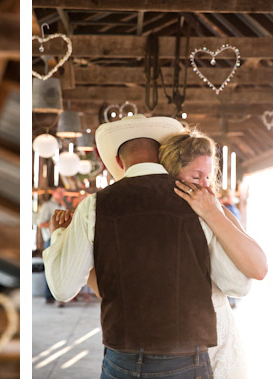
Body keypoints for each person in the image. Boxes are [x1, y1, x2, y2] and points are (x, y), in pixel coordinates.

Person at [44, 115, 253, 379]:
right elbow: (237, 285)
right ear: (161, 157)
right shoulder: (197, 202)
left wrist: (60, 237)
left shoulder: (95, 206)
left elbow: (62, 289)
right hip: (187, 357)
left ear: (119, 162)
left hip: (123, 357)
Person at [159, 131, 266, 378]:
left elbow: (258, 268)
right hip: (176, 342)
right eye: (196, 176)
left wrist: (213, 213)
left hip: (221, 335)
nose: (206, 184)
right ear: (170, 174)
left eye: (207, 176)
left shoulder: (213, 208)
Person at [36, 186, 66, 305]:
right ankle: (49, 295)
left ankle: (58, 295)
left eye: (63, 192)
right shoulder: (47, 206)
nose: (61, 194)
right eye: (59, 192)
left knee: (60, 267)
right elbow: (40, 223)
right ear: (54, 193)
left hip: (61, 239)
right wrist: (55, 223)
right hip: (50, 239)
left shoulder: (62, 206)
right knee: (50, 267)